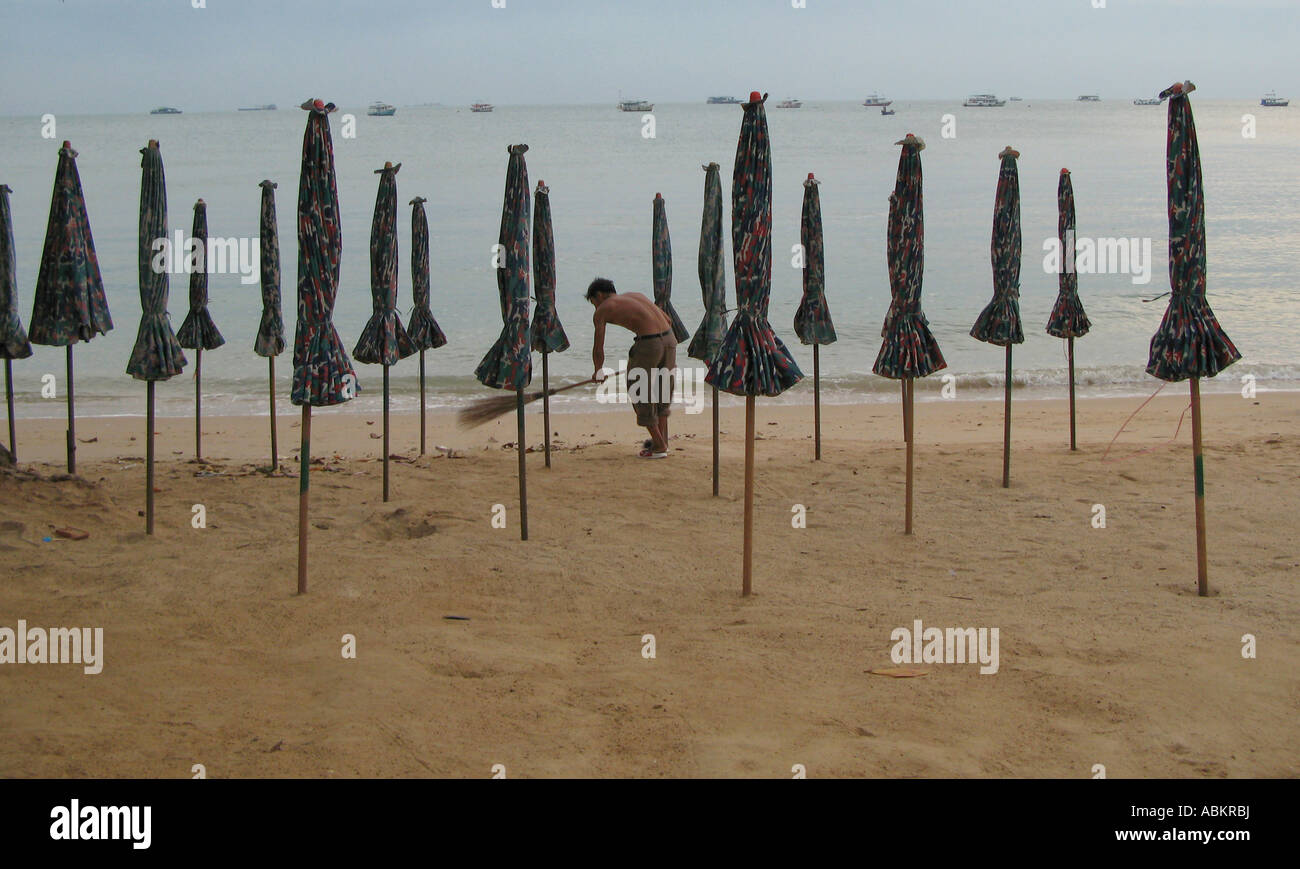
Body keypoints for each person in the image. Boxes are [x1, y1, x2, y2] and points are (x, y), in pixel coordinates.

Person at [586, 277, 677, 459]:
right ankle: (662, 442)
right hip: (669, 339)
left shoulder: (603, 309)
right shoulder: (637, 295)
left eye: (593, 302)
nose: (595, 307)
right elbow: (668, 319)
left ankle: (659, 445)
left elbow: (598, 347)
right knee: (662, 390)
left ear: (599, 295)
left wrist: (598, 370)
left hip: (650, 343)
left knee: (638, 389)